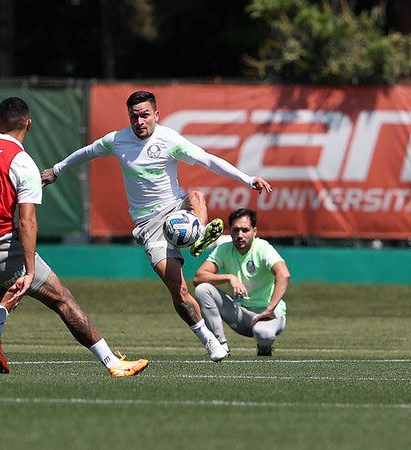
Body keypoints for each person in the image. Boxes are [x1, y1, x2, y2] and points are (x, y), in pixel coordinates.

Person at [0, 96, 148, 377]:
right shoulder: (23, 163)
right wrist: (30, 272)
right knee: (62, 299)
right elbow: (27, 221)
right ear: (28, 125)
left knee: (10, 270)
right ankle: (114, 363)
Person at [41, 90, 272, 362]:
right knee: (178, 289)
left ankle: (198, 236)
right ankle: (208, 339)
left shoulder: (169, 139)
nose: (140, 121)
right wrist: (56, 170)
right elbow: (87, 152)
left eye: (145, 115)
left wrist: (247, 179)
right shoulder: (117, 140)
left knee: (196, 196)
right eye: (134, 116)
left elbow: (208, 159)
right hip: (148, 225)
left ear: (156, 115)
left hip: (175, 208)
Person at [192, 208, 290, 357]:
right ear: (230, 231)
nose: (240, 235)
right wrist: (229, 277)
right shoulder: (224, 249)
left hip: (267, 315)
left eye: (245, 230)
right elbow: (198, 277)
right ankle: (221, 347)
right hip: (239, 313)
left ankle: (264, 347)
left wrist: (269, 309)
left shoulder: (263, 248)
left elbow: (284, 275)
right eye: (236, 230)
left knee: (264, 335)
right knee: (202, 289)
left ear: (254, 231)